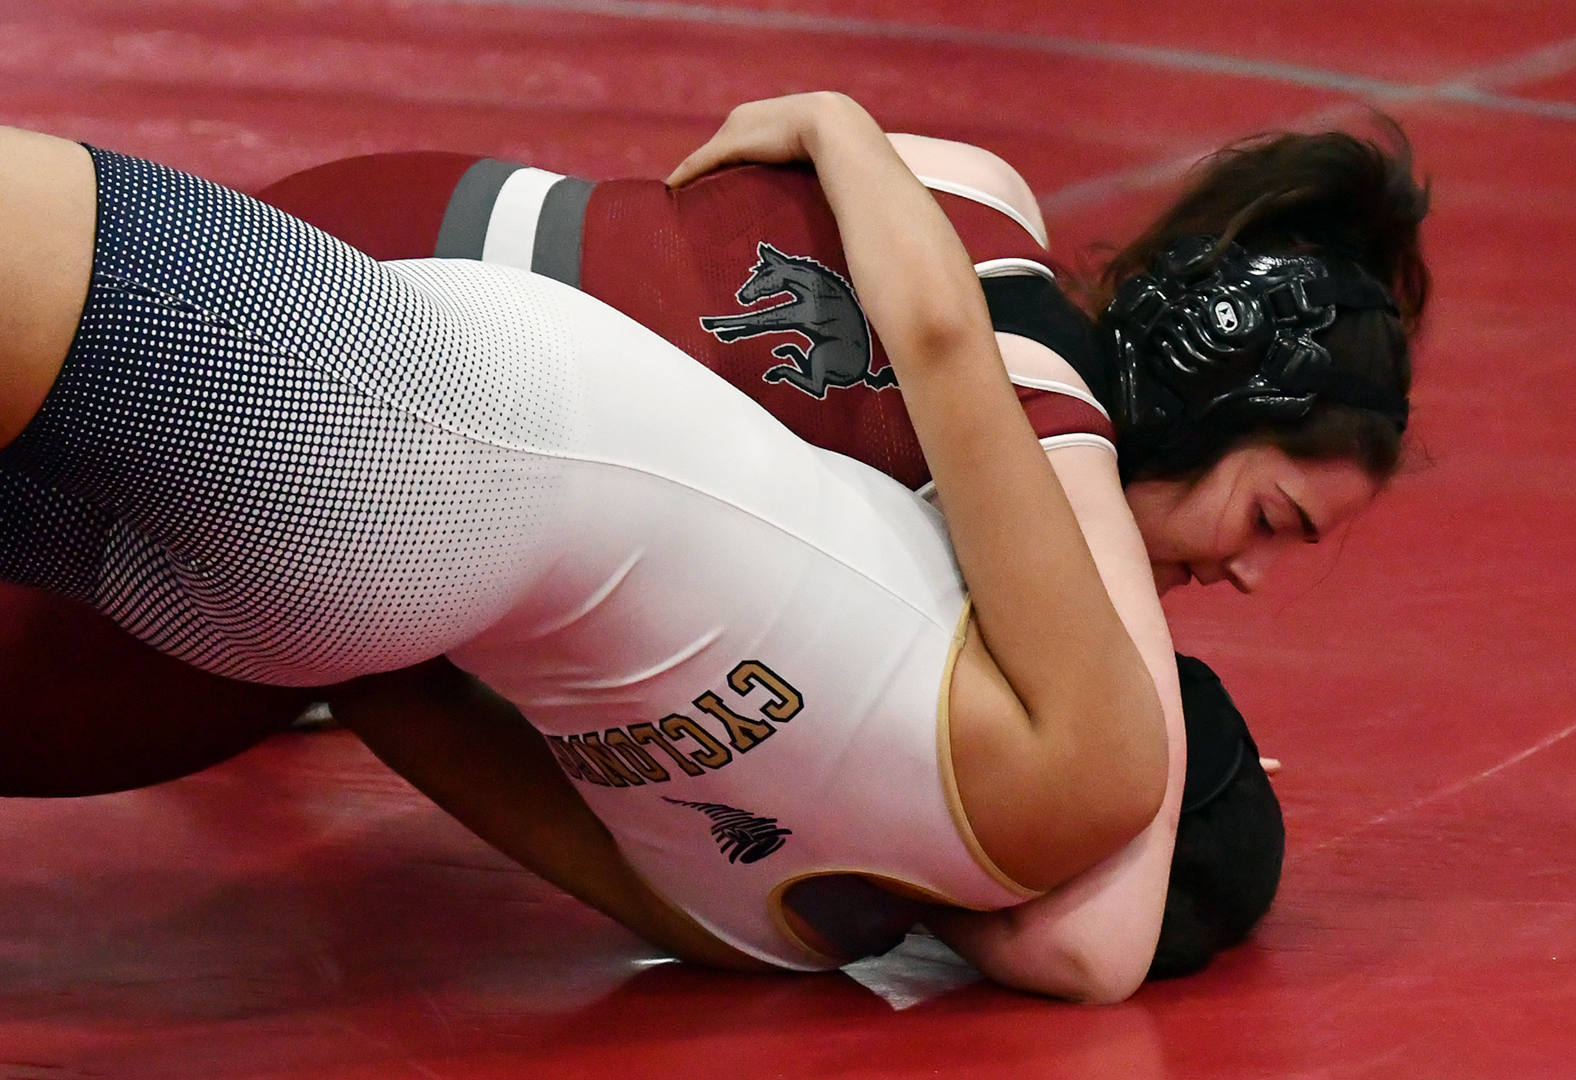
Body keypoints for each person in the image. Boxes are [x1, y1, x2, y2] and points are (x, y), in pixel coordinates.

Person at [0, 93, 1430, 991]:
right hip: (317, 592)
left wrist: (835, 123)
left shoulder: (1001, 304)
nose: (1230, 586)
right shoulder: (769, 924)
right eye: (1274, 523)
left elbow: (940, 308)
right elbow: (1092, 946)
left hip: (387, 395)